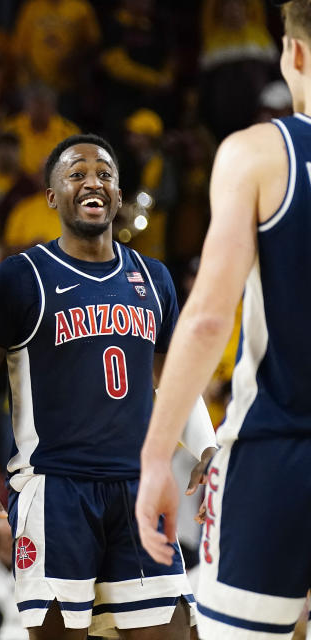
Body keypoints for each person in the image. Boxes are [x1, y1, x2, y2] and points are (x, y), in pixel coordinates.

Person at [0, 134, 216, 639]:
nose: (92, 181)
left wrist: (207, 447)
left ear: (118, 195)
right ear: (53, 196)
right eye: (76, 174)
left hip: (139, 489)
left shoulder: (155, 277)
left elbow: (168, 379)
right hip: (55, 491)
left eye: (104, 173)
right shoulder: (20, 277)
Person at [136, 2, 311, 638]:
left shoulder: (259, 153)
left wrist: (156, 459)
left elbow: (209, 317)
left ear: (291, 53)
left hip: (278, 454)